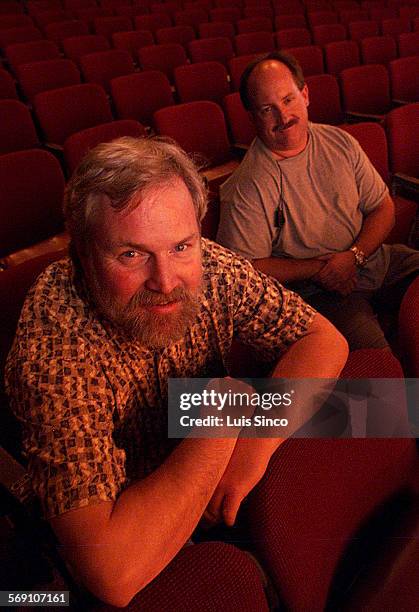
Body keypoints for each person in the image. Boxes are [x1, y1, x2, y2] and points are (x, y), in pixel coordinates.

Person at [5, 137, 348, 607]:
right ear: (82, 254)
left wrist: (256, 442)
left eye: (181, 245)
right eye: (131, 254)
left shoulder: (206, 261)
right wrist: (221, 423)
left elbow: (324, 339)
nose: (165, 281)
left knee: (379, 417)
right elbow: (113, 574)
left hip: (201, 431)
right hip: (124, 505)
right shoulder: (54, 346)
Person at [216, 51, 419, 351]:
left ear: (306, 95)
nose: (283, 117)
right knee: (377, 368)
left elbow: (383, 207)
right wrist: (319, 270)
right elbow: (248, 270)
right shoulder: (247, 186)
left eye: (288, 100)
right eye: (267, 109)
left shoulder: (341, 142)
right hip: (316, 294)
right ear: (252, 117)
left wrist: (354, 257)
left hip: (377, 260)